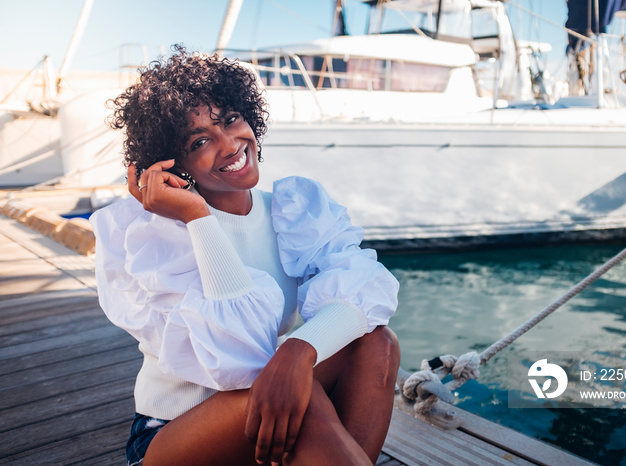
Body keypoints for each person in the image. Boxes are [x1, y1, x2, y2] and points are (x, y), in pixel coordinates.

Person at [90, 46, 401, 466]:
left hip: (261, 411)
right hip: (175, 435)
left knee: (377, 343)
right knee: (302, 401)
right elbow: (237, 359)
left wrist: (300, 349)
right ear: (173, 162)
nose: (230, 144)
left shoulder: (292, 209)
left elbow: (366, 288)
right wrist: (198, 216)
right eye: (200, 141)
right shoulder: (156, 233)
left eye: (230, 120)